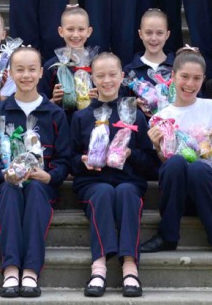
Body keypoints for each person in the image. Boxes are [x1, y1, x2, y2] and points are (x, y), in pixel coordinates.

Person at [139, 49, 212, 256]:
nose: (190, 84)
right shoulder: (162, 117)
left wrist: (211, 144)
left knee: (198, 168)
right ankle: (167, 236)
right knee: (176, 164)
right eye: (185, 77)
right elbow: (166, 165)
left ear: (204, 80)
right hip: (179, 197)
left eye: (197, 78)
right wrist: (157, 147)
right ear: (173, 76)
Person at [0, 46, 72, 298]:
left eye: (32, 69)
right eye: (19, 69)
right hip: (7, 183)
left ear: (41, 72)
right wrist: (3, 173)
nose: (26, 75)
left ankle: (30, 270)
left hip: (42, 185)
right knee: (10, 192)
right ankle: (11, 268)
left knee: (34, 190)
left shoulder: (54, 114)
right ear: (9, 73)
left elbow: (65, 160)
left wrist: (50, 176)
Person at [69, 52, 156, 298]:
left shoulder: (135, 115)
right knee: (103, 192)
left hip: (128, 179)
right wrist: (84, 161)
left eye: (112, 74)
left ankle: (130, 264)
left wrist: (130, 154)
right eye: (100, 75)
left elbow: (151, 165)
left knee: (127, 192)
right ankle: (99, 266)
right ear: (92, 79)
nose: (107, 80)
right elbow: (70, 160)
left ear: (122, 77)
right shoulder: (82, 117)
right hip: (92, 182)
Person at [120, 9, 175, 112]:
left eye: (159, 33)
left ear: (167, 35)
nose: (154, 38)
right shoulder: (130, 71)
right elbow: (119, 101)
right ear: (140, 34)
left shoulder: (177, 68)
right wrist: (134, 103)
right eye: (148, 33)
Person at [43, 5, 96, 106]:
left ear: (89, 32)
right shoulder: (51, 67)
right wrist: (53, 101)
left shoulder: (97, 65)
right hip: (62, 120)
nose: (75, 35)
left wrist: (97, 99)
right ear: (61, 31)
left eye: (81, 29)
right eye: (70, 29)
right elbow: (41, 105)